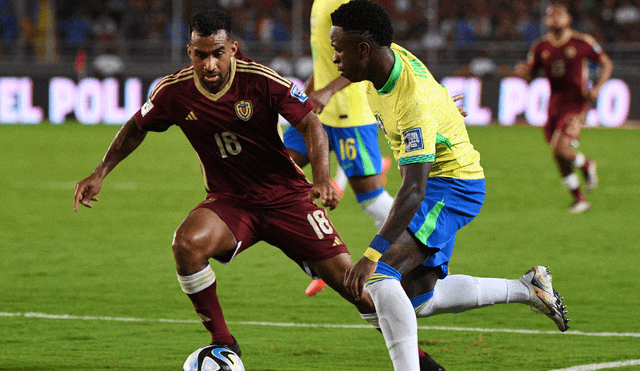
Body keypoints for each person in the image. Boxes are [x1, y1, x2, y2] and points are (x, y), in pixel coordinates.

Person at [73, 8, 374, 361]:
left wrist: (322, 179)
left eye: (217, 54)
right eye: (201, 55)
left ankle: (418, 359)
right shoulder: (174, 91)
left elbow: (311, 124)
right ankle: (224, 342)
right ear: (190, 52)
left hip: (288, 198)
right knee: (186, 245)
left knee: (353, 286)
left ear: (232, 48)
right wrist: (100, 171)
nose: (210, 65)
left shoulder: (261, 79)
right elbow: (136, 126)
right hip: (230, 202)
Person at [330, 1, 570, 370]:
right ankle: (527, 288)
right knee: (417, 299)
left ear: (363, 50)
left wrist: (371, 254)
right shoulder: (384, 64)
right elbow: (428, 90)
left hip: (453, 185)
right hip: (444, 181)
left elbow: (413, 191)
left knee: (379, 274)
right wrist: (442, 108)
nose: (333, 58)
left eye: (338, 48)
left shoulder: (412, 101)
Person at [283, 0, 394, 297]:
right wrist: (310, 88)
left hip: (350, 114)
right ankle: (323, 258)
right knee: (277, 172)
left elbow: (369, 53)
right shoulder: (320, 2)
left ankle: (416, 245)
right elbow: (325, 58)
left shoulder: (346, 3)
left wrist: (328, 91)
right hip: (318, 110)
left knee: (371, 198)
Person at [513, 0, 613, 214]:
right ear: (546, 20)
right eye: (551, 14)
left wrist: (597, 88)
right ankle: (579, 199)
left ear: (568, 19)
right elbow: (531, 73)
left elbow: (606, 63)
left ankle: (586, 165)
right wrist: (524, 73)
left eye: (560, 14)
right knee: (558, 155)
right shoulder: (541, 47)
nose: (555, 17)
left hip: (577, 103)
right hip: (554, 105)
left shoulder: (582, 42)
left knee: (559, 148)